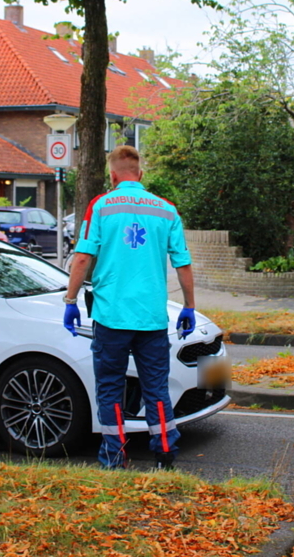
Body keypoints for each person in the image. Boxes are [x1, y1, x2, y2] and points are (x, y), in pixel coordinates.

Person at [63, 145, 195, 470]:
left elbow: (82, 257)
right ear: (141, 174)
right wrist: (189, 307)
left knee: (110, 388)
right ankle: (165, 455)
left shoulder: (101, 206)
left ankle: (114, 457)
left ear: (112, 175)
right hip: (151, 319)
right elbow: (183, 264)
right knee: (156, 389)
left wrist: (70, 300)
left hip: (111, 317)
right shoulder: (166, 210)